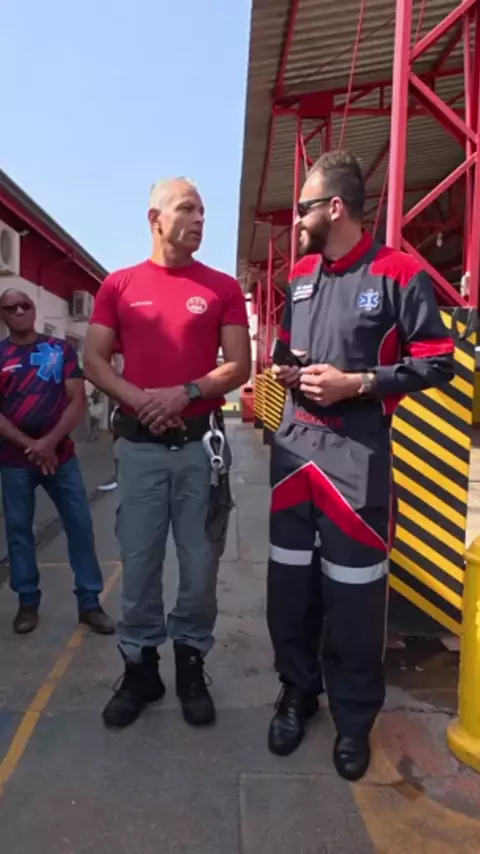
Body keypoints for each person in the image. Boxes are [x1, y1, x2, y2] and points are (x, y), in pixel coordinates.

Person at [267, 151, 455, 780]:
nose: (296, 221)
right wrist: (287, 370)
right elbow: (282, 345)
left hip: (357, 458)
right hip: (294, 454)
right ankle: (296, 692)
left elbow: (437, 359)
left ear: (335, 208)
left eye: (303, 209)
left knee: (355, 597)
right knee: (290, 589)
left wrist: (358, 383)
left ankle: (353, 720)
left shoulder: (400, 273)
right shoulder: (299, 276)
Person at [83, 177, 250, 730]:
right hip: (139, 450)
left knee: (200, 565)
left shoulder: (222, 287)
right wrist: (140, 400)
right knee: (139, 563)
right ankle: (141, 670)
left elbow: (239, 364)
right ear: (155, 218)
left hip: (201, 450)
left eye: (203, 210)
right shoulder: (120, 285)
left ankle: (191, 663)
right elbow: (94, 359)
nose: (200, 219)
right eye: (188, 208)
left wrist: (186, 392)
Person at [0, 289, 115, 636]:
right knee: (19, 531)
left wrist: (49, 443)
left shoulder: (59, 349)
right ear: (3, 315)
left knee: (80, 525)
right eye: (11, 307)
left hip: (61, 458)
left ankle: (90, 604)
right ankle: (27, 603)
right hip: (14, 460)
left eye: (25, 304)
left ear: (34, 309)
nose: (20, 311)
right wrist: (32, 446)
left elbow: (76, 401)